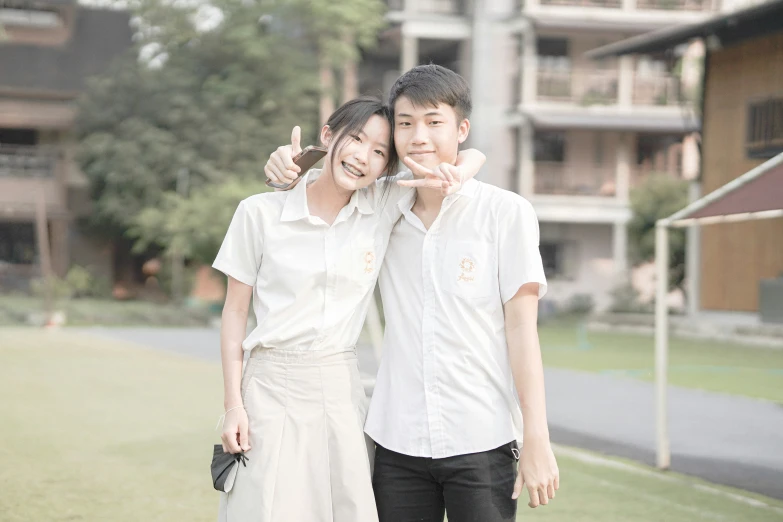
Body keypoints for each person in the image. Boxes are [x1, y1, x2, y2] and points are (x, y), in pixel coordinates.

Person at [267, 65, 560, 522]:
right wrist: (286, 164)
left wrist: (537, 437)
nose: (418, 135)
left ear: (461, 128)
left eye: (433, 121)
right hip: (396, 441)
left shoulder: (506, 213)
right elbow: (332, 179)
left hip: (482, 439)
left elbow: (522, 330)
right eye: (405, 123)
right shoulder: (379, 205)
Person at [213, 95, 485, 522]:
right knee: (264, 510)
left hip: (339, 389)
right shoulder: (258, 213)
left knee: (346, 510)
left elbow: (467, 153)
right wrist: (233, 405)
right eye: (356, 139)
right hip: (267, 388)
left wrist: (462, 171)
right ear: (327, 136)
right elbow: (234, 314)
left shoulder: (380, 205)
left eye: (379, 152)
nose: (363, 157)